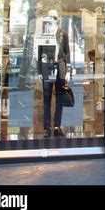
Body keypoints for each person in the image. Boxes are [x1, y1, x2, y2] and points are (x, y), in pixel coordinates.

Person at [41, 10, 69, 138]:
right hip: (47, 69)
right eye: (50, 17)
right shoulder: (44, 34)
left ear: (57, 19)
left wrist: (67, 70)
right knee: (46, 99)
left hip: (60, 68)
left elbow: (67, 53)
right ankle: (47, 128)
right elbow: (40, 53)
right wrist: (39, 70)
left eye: (54, 17)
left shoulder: (63, 34)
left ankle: (57, 126)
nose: (52, 19)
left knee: (59, 98)